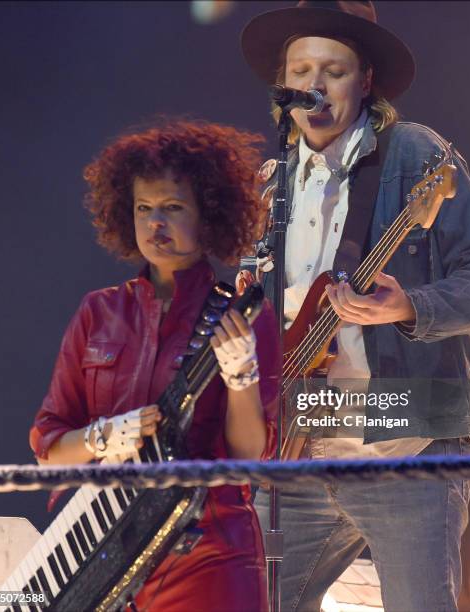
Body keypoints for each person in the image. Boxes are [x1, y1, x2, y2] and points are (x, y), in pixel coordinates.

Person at [239, 2, 470, 611]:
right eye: (301, 70)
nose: (313, 85)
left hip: (403, 453)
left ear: (365, 80)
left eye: (332, 71)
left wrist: (409, 306)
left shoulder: (415, 155)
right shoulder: (270, 184)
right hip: (298, 453)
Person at [29, 120, 281, 611]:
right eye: (144, 209)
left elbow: (252, 458)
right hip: (101, 555)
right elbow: (48, 444)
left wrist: (241, 378)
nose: (154, 224)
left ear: (209, 217)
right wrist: (103, 436)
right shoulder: (97, 311)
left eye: (172, 208)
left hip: (208, 557)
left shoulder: (243, 315)